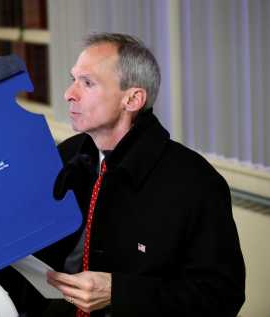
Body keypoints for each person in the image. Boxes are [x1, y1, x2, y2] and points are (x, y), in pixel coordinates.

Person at [14, 33, 245, 316]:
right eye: (73, 79)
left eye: (87, 83)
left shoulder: (196, 183)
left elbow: (222, 297)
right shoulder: (69, 154)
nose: (69, 94)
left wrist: (118, 292)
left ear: (133, 99)